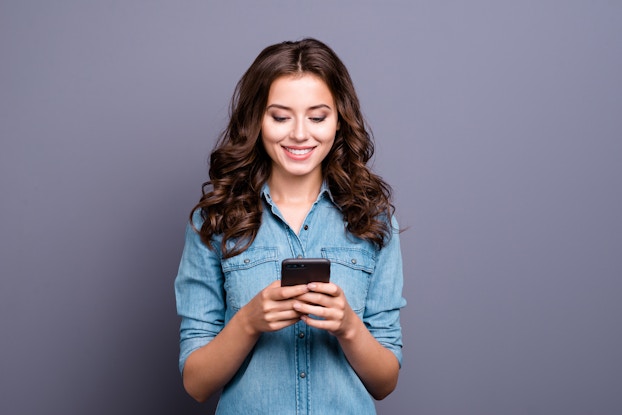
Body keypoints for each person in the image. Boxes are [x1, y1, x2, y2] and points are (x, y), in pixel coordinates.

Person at [175, 38, 406, 414]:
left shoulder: (373, 220)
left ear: (340, 120)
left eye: (317, 117)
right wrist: (248, 322)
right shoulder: (215, 221)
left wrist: (349, 326)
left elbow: (386, 382)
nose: (300, 134)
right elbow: (196, 384)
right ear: (256, 120)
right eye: (281, 117)